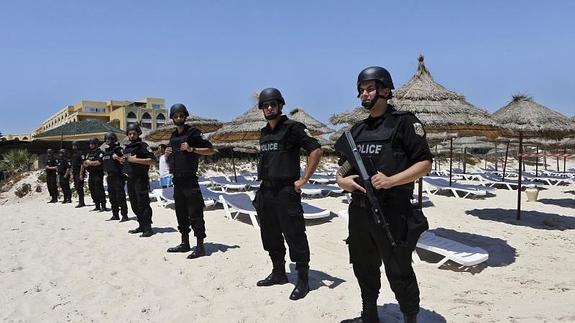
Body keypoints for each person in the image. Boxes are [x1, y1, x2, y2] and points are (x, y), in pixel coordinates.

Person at [336, 66, 433, 323]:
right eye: (361, 90)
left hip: (392, 209)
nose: (364, 94)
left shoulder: (404, 122)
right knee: (363, 265)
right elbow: (343, 167)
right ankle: (369, 315)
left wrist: (392, 181)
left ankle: (410, 318)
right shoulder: (356, 131)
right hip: (360, 211)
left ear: (386, 90)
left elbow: (424, 163)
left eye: (369, 89)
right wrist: (341, 181)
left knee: (399, 268)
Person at [253, 88, 322, 301]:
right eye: (266, 105)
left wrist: (304, 179)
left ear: (280, 105)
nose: (269, 108)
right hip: (266, 190)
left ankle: (303, 279)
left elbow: (316, 150)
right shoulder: (264, 132)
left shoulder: (293, 128)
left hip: (286, 191)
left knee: (294, 234)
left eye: (273, 104)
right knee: (270, 234)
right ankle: (279, 272)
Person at [164, 103, 215, 259]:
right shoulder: (173, 136)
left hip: (190, 179)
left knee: (195, 212)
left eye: (181, 115)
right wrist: (167, 153)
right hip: (177, 180)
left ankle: (200, 246)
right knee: (180, 212)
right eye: (175, 116)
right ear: (172, 118)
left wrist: (192, 149)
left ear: (185, 117)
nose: (179, 118)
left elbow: (210, 150)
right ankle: (185, 243)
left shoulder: (193, 133)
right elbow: (171, 158)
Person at [121, 124, 156, 237]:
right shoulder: (127, 148)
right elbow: (128, 160)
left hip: (141, 179)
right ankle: (141, 225)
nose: (131, 135)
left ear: (138, 134)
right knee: (134, 204)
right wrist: (123, 161)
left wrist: (135, 160)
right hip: (130, 179)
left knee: (143, 203)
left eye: (134, 133)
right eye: (130, 134)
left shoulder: (143, 146)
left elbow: (152, 161)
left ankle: (148, 228)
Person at [102, 132, 129, 222]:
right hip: (109, 177)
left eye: (109, 139)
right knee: (112, 197)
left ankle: (124, 215)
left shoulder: (118, 149)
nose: (107, 140)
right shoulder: (106, 151)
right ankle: (115, 214)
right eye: (106, 139)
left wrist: (117, 157)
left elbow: (125, 161)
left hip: (118, 176)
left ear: (113, 139)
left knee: (120, 196)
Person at [82, 138, 108, 212]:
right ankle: (97, 205)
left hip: (98, 173)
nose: (91, 145)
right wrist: (86, 164)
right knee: (92, 189)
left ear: (96, 144)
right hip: (91, 173)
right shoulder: (89, 153)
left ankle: (103, 205)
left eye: (92, 144)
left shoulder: (100, 152)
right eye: (90, 144)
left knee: (99, 189)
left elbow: (99, 162)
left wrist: (89, 163)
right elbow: (84, 163)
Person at [71, 141, 86, 208]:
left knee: (80, 187)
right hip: (74, 172)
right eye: (73, 145)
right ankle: (80, 201)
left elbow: (83, 164)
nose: (73, 147)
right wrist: (71, 173)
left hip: (79, 172)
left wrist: (81, 174)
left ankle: (81, 202)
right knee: (77, 187)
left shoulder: (81, 153)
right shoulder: (73, 153)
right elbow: (72, 164)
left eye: (75, 145)